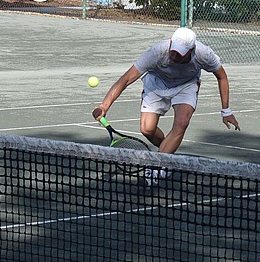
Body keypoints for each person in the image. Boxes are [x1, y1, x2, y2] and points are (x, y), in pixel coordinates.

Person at [93, 27, 240, 167]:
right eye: (174, 50)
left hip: (186, 85)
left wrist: (226, 111)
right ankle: (167, 151)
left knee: (182, 122)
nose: (175, 56)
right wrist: (104, 106)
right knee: (147, 129)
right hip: (157, 83)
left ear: (191, 50)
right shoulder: (156, 52)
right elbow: (126, 79)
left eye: (180, 53)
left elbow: (222, 77)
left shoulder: (204, 54)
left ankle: (158, 166)